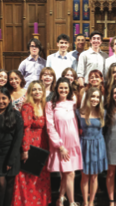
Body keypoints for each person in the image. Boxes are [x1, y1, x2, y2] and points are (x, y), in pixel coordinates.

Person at [12, 81, 51, 206]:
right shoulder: (27, 106)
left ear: (43, 92)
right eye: (34, 89)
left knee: (40, 177)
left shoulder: (45, 105)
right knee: (28, 176)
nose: (37, 92)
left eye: (39, 89)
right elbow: (25, 129)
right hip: (30, 146)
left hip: (43, 145)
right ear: (30, 92)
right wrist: (25, 149)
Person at [45, 78, 83, 206]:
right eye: (61, 87)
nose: (63, 90)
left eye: (66, 88)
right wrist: (59, 146)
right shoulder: (50, 104)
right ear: (56, 88)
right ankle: (72, 202)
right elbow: (50, 127)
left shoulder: (72, 103)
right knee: (70, 173)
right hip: (61, 144)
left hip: (73, 142)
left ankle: (60, 199)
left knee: (66, 174)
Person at [76, 87, 108, 206]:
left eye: (97, 97)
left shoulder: (103, 112)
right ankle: (85, 202)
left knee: (94, 177)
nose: (95, 99)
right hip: (84, 145)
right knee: (84, 177)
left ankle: (91, 202)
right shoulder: (79, 112)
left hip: (98, 145)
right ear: (88, 97)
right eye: (93, 96)